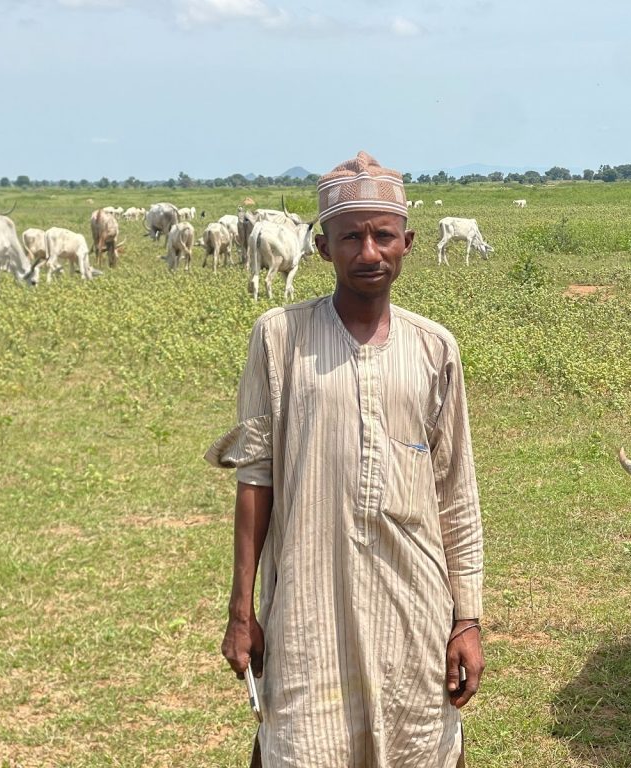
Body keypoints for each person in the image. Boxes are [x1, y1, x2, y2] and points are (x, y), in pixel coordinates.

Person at [205, 151, 485, 768]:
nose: (368, 252)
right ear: (322, 247)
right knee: (302, 742)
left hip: (413, 605)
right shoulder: (278, 336)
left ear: (407, 243)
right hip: (309, 602)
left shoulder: (435, 348)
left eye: (383, 235)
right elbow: (254, 478)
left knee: (419, 743)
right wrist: (241, 610)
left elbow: (456, 494)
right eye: (350, 236)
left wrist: (467, 620)